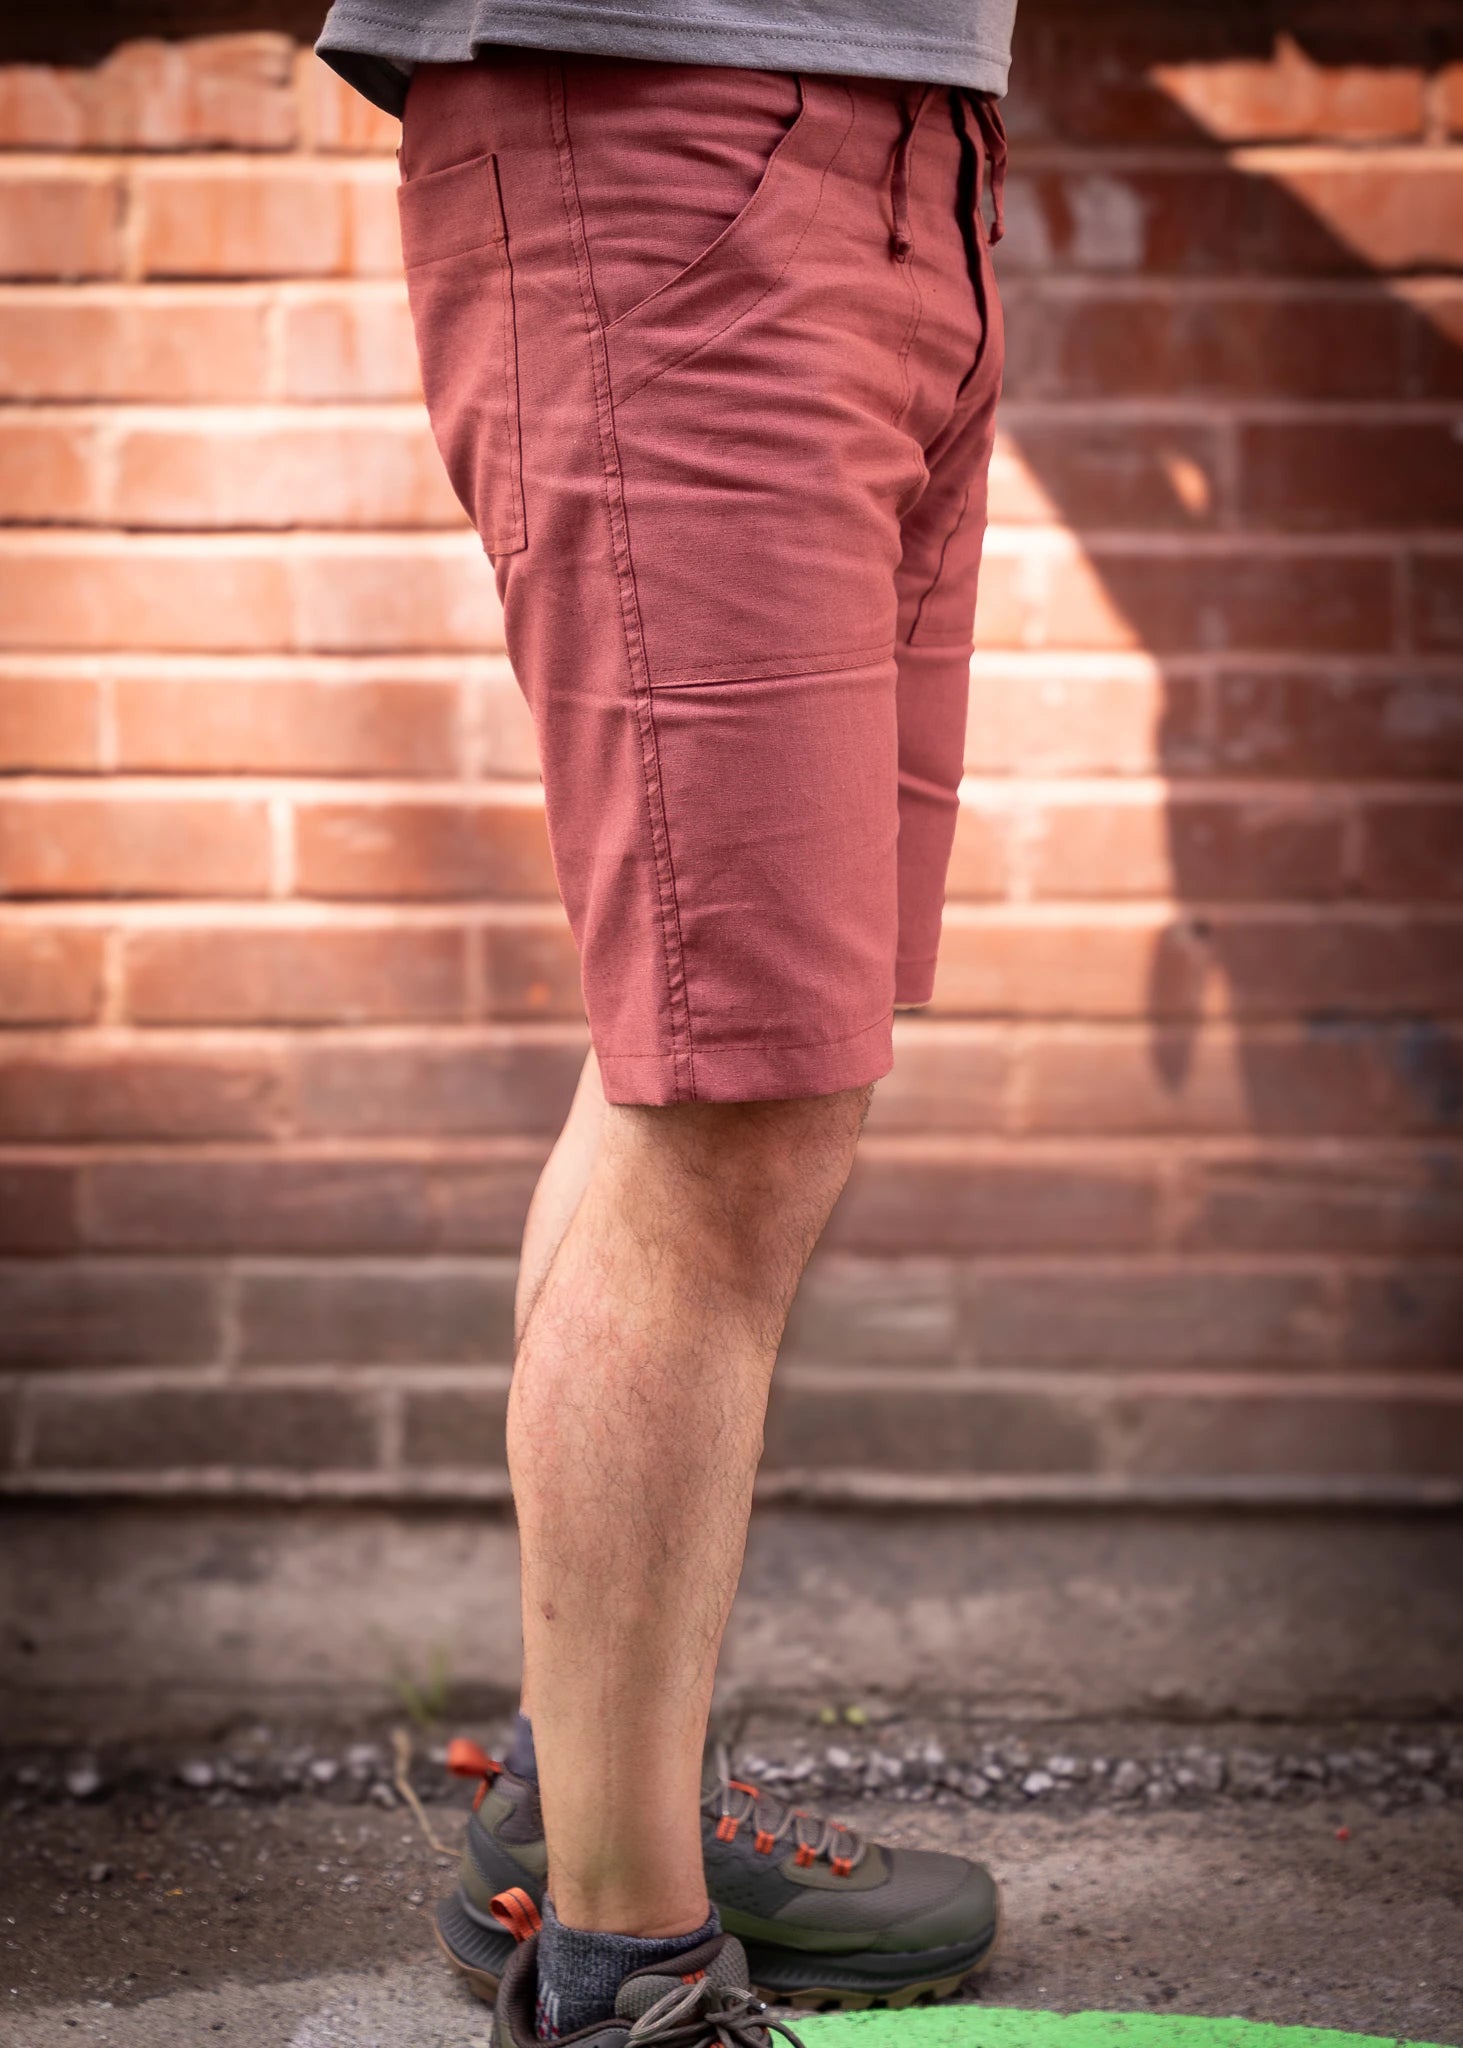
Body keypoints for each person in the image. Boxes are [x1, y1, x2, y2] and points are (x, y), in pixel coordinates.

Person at [314, 4, 1015, 2043]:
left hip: (923, 162)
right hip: (667, 121)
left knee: (718, 1046)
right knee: (738, 1080)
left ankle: (588, 1790)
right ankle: (622, 1968)